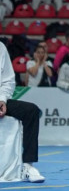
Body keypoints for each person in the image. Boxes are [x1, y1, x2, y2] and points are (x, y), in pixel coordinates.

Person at [0, 43, 45, 183]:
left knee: (31, 111)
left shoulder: (0, 47)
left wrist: (2, 100)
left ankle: (27, 165)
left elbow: (8, 81)